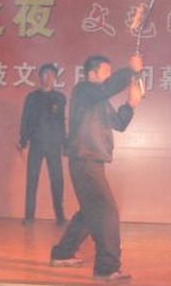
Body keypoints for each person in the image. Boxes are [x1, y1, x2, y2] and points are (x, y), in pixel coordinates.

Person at [50, 54, 143, 283]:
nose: (109, 76)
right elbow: (108, 89)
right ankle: (106, 268)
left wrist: (131, 104)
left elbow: (119, 124)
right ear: (91, 74)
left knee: (90, 211)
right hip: (84, 158)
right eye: (106, 72)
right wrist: (130, 70)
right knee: (106, 211)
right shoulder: (83, 90)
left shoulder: (98, 99)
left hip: (90, 159)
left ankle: (62, 253)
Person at [18, 63, 67, 225]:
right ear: (40, 77)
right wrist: (23, 141)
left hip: (54, 144)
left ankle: (60, 216)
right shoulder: (32, 97)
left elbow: (61, 122)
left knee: (57, 180)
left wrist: (65, 143)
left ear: (55, 78)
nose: (48, 78)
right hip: (36, 143)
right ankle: (29, 216)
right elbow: (25, 119)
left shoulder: (60, 98)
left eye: (51, 75)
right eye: (45, 74)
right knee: (32, 179)